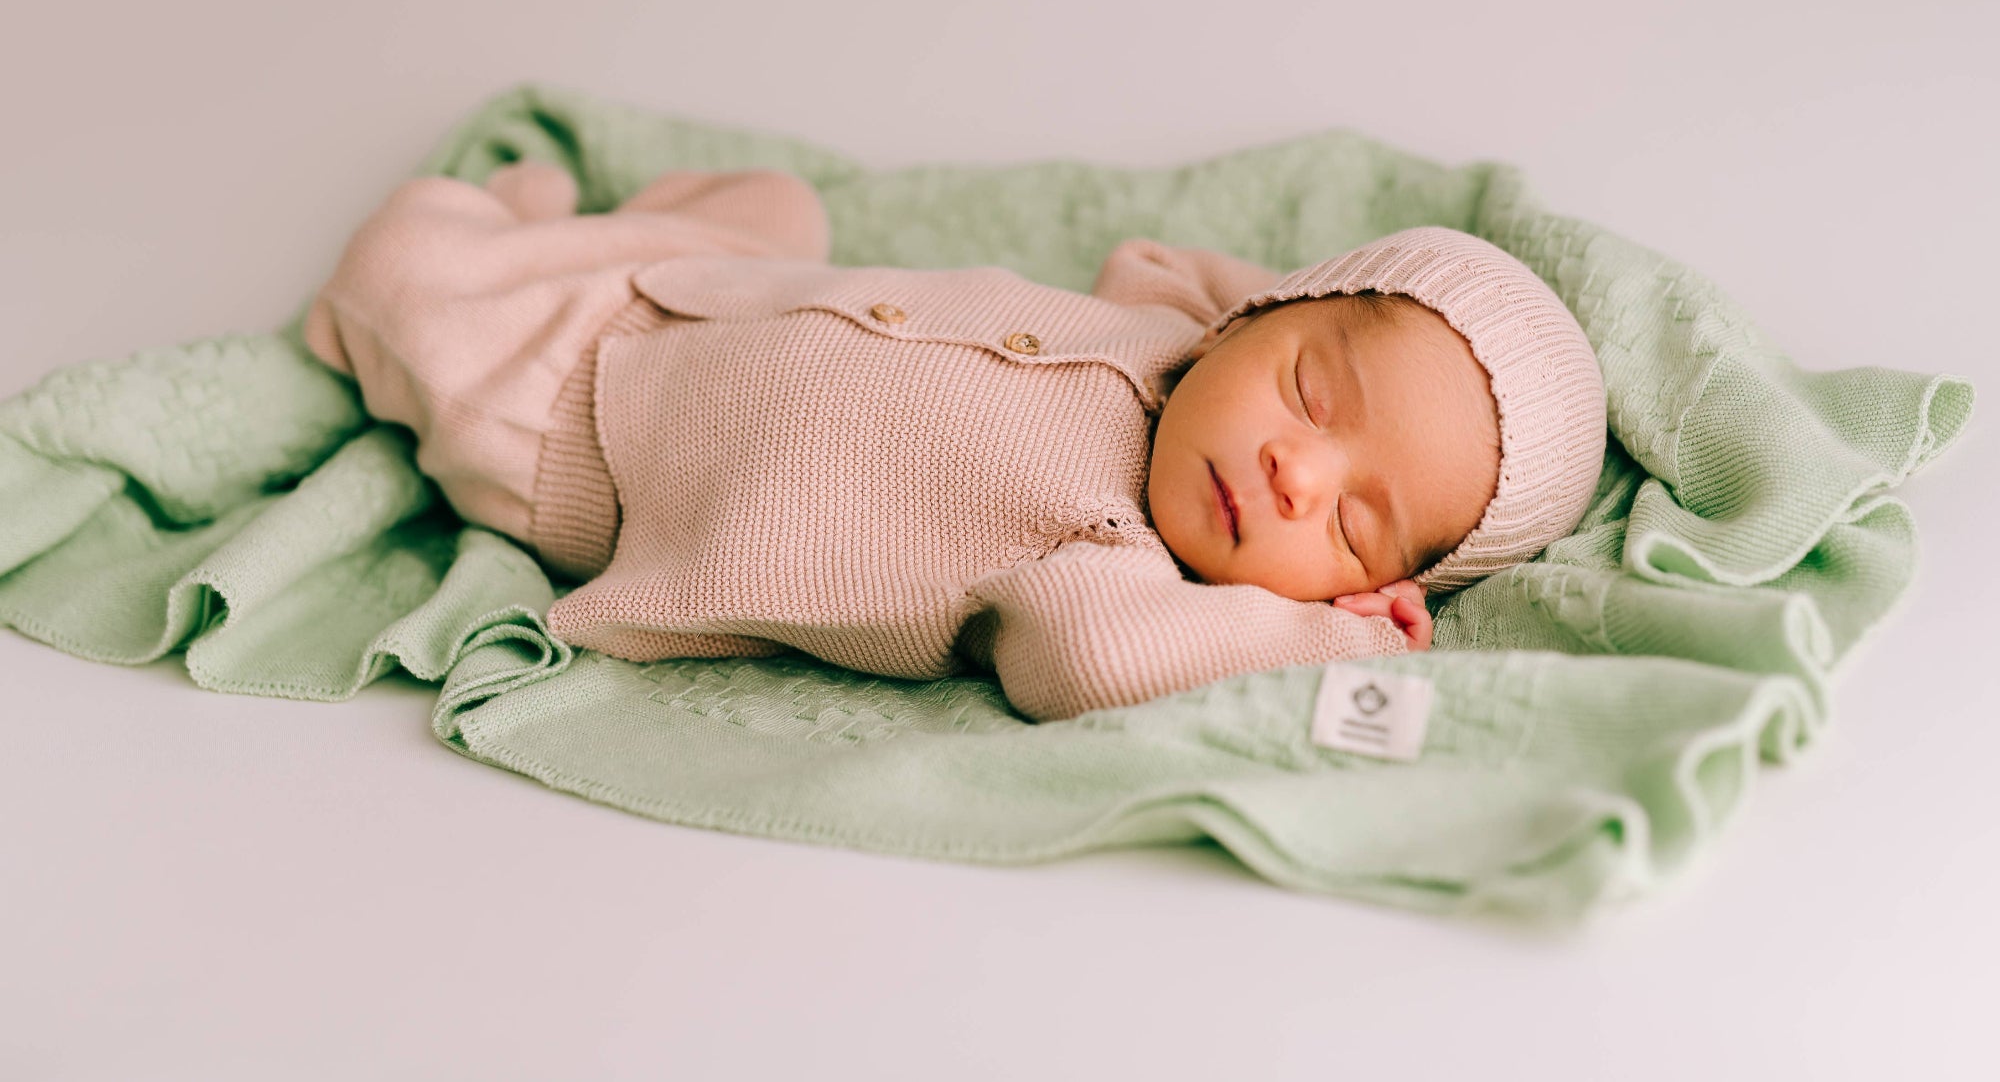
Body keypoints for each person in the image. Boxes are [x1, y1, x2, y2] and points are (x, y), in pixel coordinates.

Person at [302, 161, 1606, 721]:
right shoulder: (1169, 326)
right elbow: (1173, 265)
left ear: (1371, 583)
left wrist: (1326, 635)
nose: (1293, 469)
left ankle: (499, 234)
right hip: (722, 289)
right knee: (771, 206)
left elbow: (1093, 665)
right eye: (1315, 391)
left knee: (402, 269)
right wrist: (1261, 321)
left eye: (1351, 523)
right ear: (1262, 310)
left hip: (589, 431)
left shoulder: (1110, 565)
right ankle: (564, 230)